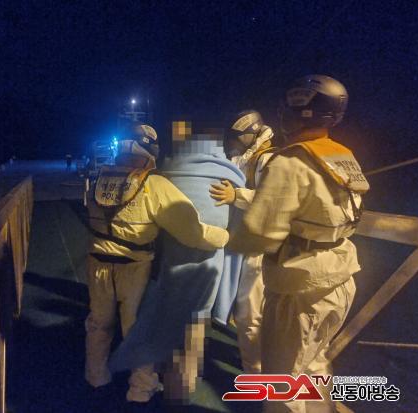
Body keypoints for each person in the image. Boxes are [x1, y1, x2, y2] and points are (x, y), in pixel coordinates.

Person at [229, 75, 369, 412]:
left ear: (310, 112)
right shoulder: (341, 155)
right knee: (314, 365)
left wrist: (229, 243)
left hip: (300, 287)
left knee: (282, 385)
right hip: (341, 275)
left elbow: (260, 231)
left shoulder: (289, 161)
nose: (286, 110)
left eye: (296, 102)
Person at [84, 123, 230, 405]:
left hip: (98, 262)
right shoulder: (154, 184)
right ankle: (140, 389)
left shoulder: (100, 177)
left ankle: (96, 376)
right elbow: (192, 232)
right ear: (151, 149)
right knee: (138, 330)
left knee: (98, 323)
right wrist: (223, 236)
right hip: (134, 267)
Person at [210, 109, 276, 374]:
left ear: (250, 135)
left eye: (237, 138)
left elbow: (271, 200)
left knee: (250, 314)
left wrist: (236, 195)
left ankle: (255, 373)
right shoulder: (253, 158)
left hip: (260, 248)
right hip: (253, 244)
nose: (234, 143)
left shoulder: (268, 158)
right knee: (252, 311)